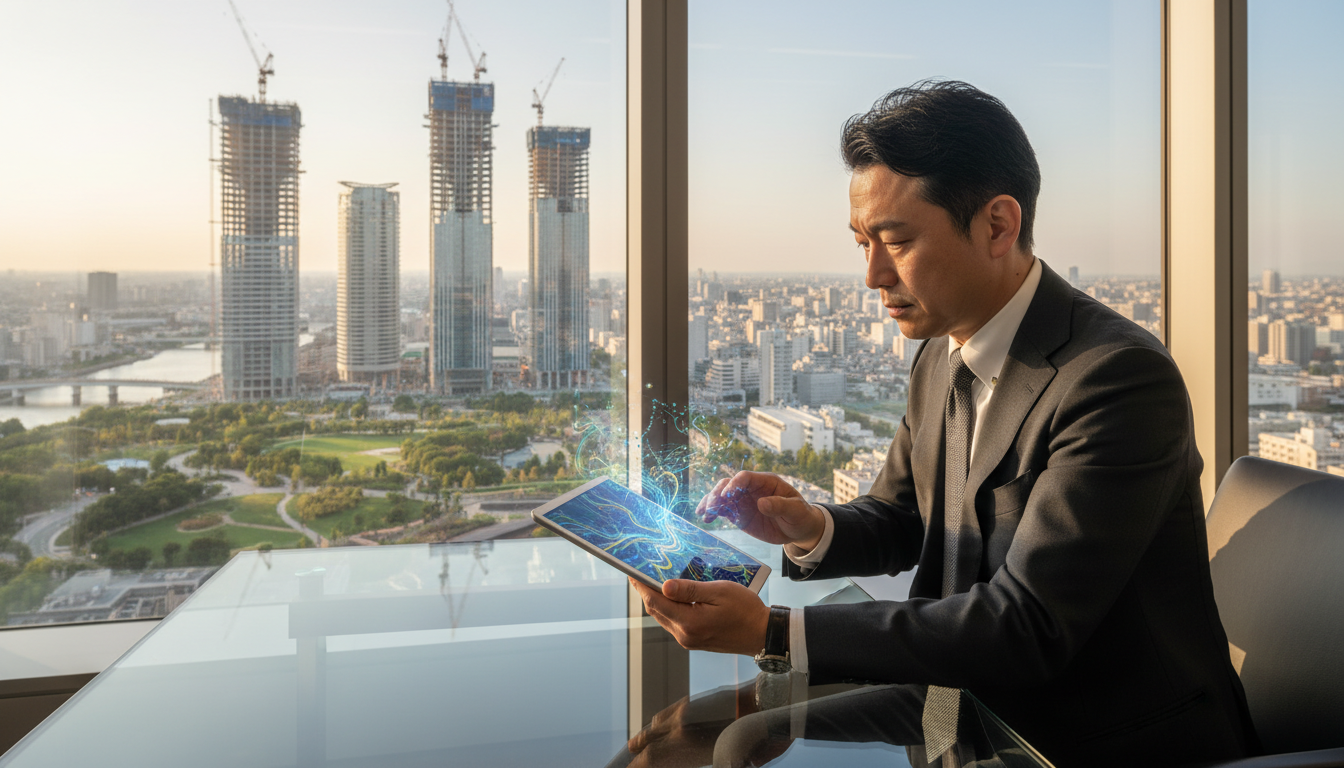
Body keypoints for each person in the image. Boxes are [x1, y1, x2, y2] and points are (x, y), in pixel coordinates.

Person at [630, 80, 1258, 767]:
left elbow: (1028, 626)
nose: (871, 275)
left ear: (997, 225)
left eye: (894, 241)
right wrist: (809, 527)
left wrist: (773, 631)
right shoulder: (940, 352)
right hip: (958, 717)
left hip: (1092, 739)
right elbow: (906, 517)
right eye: (861, 241)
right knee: (721, 735)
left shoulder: (1117, 379)